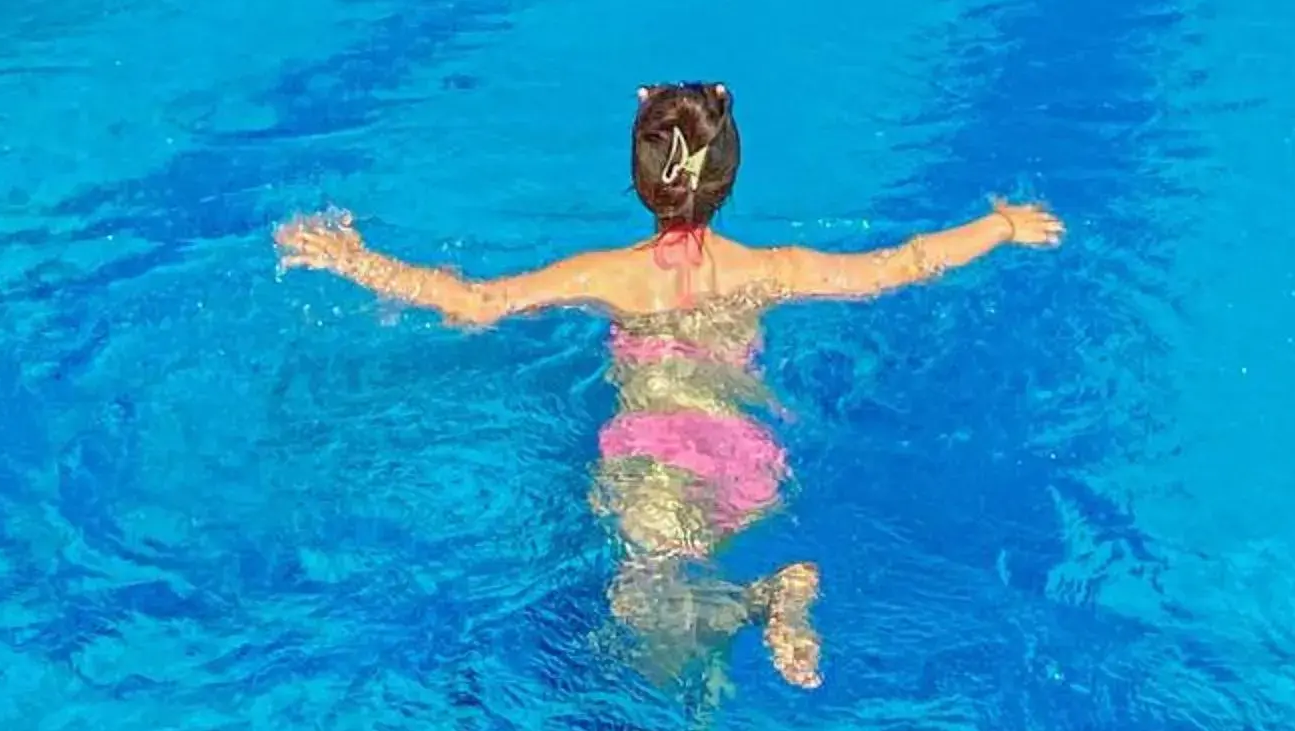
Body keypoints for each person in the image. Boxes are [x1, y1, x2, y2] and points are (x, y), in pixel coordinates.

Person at [275, 83, 1062, 689]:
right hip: (750, 466)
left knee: (643, 634)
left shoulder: (608, 277)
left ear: (643, 181)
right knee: (679, 602)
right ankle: (761, 599)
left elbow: (475, 302)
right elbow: (898, 266)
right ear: (727, 178)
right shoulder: (769, 271)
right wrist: (1000, 225)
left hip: (654, 465)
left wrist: (354, 258)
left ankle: (764, 601)